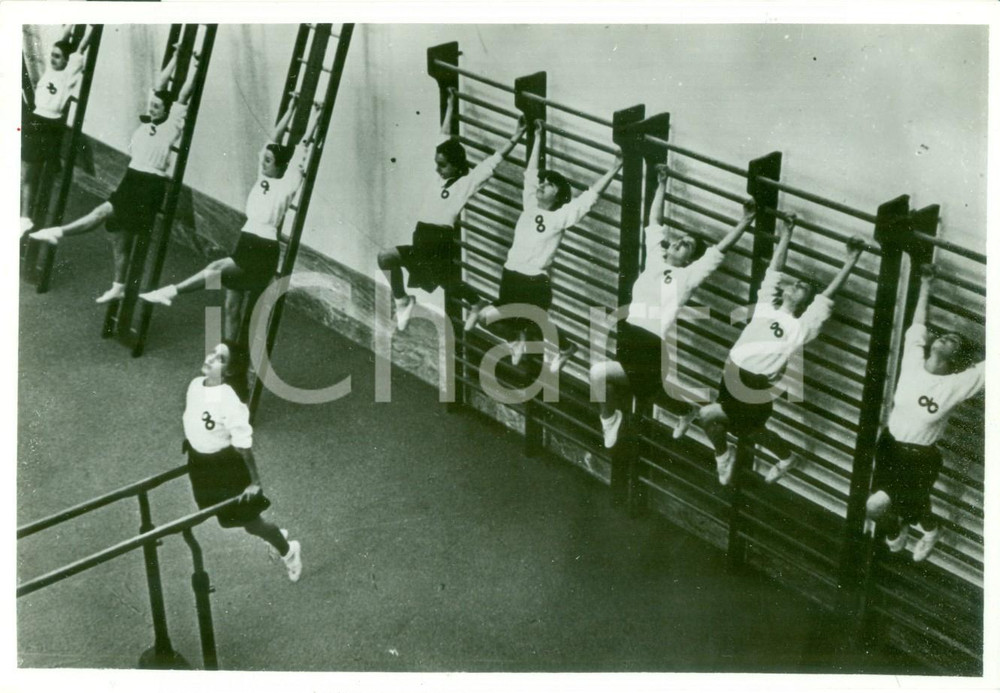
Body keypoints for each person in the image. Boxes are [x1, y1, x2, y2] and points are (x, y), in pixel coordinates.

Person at [691, 215, 866, 486]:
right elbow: (774, 273)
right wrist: (787, 233)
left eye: (802, 288)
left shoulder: (801, 327)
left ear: (805, 303)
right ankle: (786, 458)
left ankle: (724, 456)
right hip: (731, 374)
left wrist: (851, 261)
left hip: (753, 386)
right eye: (795, 283)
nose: (795, 285)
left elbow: (826, 298)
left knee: (707, 416)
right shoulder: (765, 308)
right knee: (749, 431)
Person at [590, 163, 756, 448]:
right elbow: (654, 222)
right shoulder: (656, 258)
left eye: (687, 245)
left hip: (651, 344)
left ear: (690, 259)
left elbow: (719, 250)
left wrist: (746, 220)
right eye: (680, 239)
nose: (680, 242)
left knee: (599, 374)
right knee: (648, 391)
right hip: (629, 334)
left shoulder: (688, 276)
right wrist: (662, 183)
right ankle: (685, 411)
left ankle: (610, 420)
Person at [139, 95, 316, 341]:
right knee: (232, 307)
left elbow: (302, 149)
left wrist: (316, 116)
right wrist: (291, 108)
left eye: (268, 161)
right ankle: (226, 353)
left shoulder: (288, 184)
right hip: (246, 241)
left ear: (280, 166)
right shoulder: (263, 178)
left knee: (216, 268)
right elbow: (272, 140)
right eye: (264, 160)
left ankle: (171, 291)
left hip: (262, 248)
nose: (263, 164)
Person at [30, 47, 199, 304]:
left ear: (167, 111)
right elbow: (159, 85)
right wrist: (176, 57)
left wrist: (195, 67)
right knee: (119, 238)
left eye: (157, 107)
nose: (152, 109)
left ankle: (59, 232)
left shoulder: (171, 125)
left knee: (103, 214)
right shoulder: (148, 123)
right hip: (132, 177)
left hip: (149, 184)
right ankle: (118, 286)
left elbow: (184, 95)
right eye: (152, 105)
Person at [464, 119, 623, 373]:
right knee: (486, 318)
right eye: (543, 182)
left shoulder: (560, 217)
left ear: (558, 196)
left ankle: (566, 347)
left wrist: (615, 168)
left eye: (549, 185)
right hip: (511, 277)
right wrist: (537, 137)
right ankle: (516, 338)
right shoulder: (530, 204)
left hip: (535, 283)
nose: (542, 185)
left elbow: (589, 198)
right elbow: (530, 174)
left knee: (537, 323)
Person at [377, 88, 527, 331]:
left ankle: (468, 303)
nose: (437, 169)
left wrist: (516, 135)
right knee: (439, 278)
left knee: (401, 262)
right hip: (421, 235)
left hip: (438, 240)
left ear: (457, 166)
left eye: (443, 165)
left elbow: (494, 161)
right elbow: (443, 136)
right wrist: (450, 103)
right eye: (437, 164)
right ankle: (411, 300)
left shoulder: (467, 183)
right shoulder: (439, 177)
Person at [865, 264, 984, 562]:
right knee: (911, 508)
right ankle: (921, 529)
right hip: (889, 446)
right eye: (945, 335)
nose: (946, 338)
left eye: (954, 341)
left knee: (876, 506)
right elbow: (918, 326)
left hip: (919, 458)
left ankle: (923, 530)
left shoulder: (957, 384)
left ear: (957, 358)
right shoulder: (913, 363)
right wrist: (927, 283)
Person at [183, 340, 302, 582]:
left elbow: (243, 446)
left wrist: (255, 482)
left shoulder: (229, 402)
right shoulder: (195, 385)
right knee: (225, 519)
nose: (210, 358)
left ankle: (289, 551)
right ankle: (275, 535)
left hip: (225, 469)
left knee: (251, 523)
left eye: (220, 359)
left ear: (229, 371)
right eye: (213, 352)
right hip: (200, 465)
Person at [21, 24, 93, 234]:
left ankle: (41, 217)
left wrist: (92, 27)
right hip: (36, 121)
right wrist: (71, 22)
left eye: (58, 57)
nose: (53, 59)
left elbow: (81, 48)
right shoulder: (51, 71)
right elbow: (63, 38)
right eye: (52, 55)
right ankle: (25, 217)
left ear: (67, 61)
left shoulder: (68, 74)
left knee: (45, 171)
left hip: (50, 125)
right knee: (28, 173)